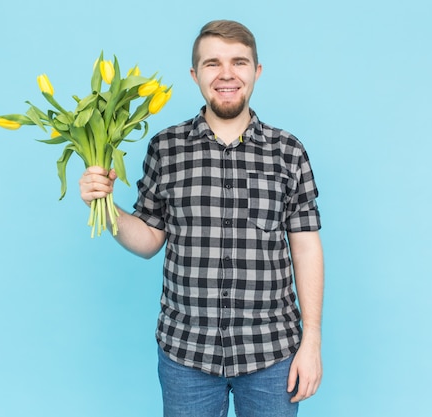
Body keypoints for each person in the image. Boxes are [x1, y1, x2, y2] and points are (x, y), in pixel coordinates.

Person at [79, 20, 324, 417]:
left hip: (272, 353)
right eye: (212, 63)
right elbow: (148, 240)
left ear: (256, 72)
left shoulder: (288, 151)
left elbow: (306, 246)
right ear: (195, 75)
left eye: (239, 62)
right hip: (186, 354)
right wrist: (103, 207)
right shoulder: (166, 148)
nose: (226, 74)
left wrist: (311, 340)